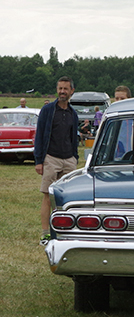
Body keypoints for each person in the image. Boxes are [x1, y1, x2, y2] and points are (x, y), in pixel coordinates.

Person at [35, 77, 79, 231]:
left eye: (65, 89)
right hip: (51, 159)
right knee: (48, 196)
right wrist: (39, 161)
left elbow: (74, 137)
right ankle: (46, 232)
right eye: (60, 88)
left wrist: (75, 157)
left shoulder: (73, 114)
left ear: (71, 91)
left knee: (68, 198)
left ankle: (65, 229)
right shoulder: (47, 111)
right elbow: (39, 135)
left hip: (69, 160)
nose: (62, 92)